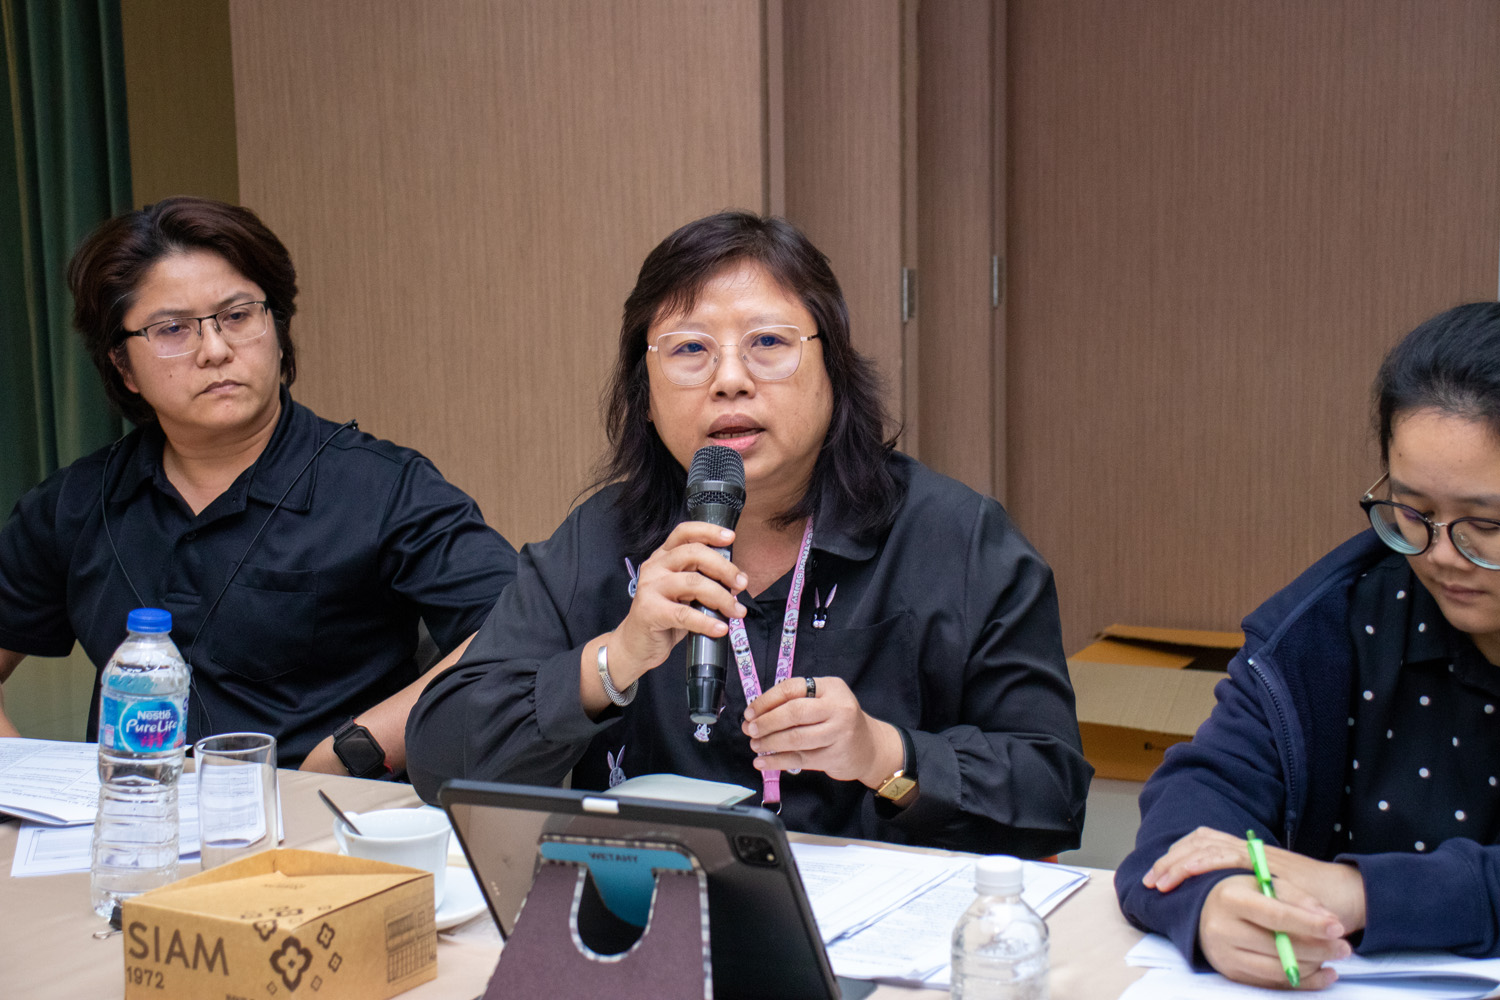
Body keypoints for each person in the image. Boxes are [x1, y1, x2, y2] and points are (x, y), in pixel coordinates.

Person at [406, 211, 1090, 855]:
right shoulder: (601, 540)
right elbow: (441, 761)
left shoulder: (955, 539)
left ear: (834, 370)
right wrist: (613, 660)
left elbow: (1053, 794)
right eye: (690, 350)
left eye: (768, 343)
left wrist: (884, 755)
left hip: (888, 932)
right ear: (645, 396)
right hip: (659, 910)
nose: (730, 380)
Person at [0, 197, 517, 773]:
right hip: (138, 813)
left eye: (238, 316)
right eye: (172, 329)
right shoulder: (73, 504)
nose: (215, 350)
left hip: (317, 812)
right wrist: (30, 783)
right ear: (123, 366)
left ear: (277, 327)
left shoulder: (383, 488)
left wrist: (358, 748)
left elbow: (521, 628)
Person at [1116, 302, 1500, 988]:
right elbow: (1199, 800)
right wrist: (1215, 901)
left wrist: (1360, 893)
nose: (1442, 553)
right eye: (1414, 512)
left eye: (1487, 525)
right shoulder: (1336, 623)